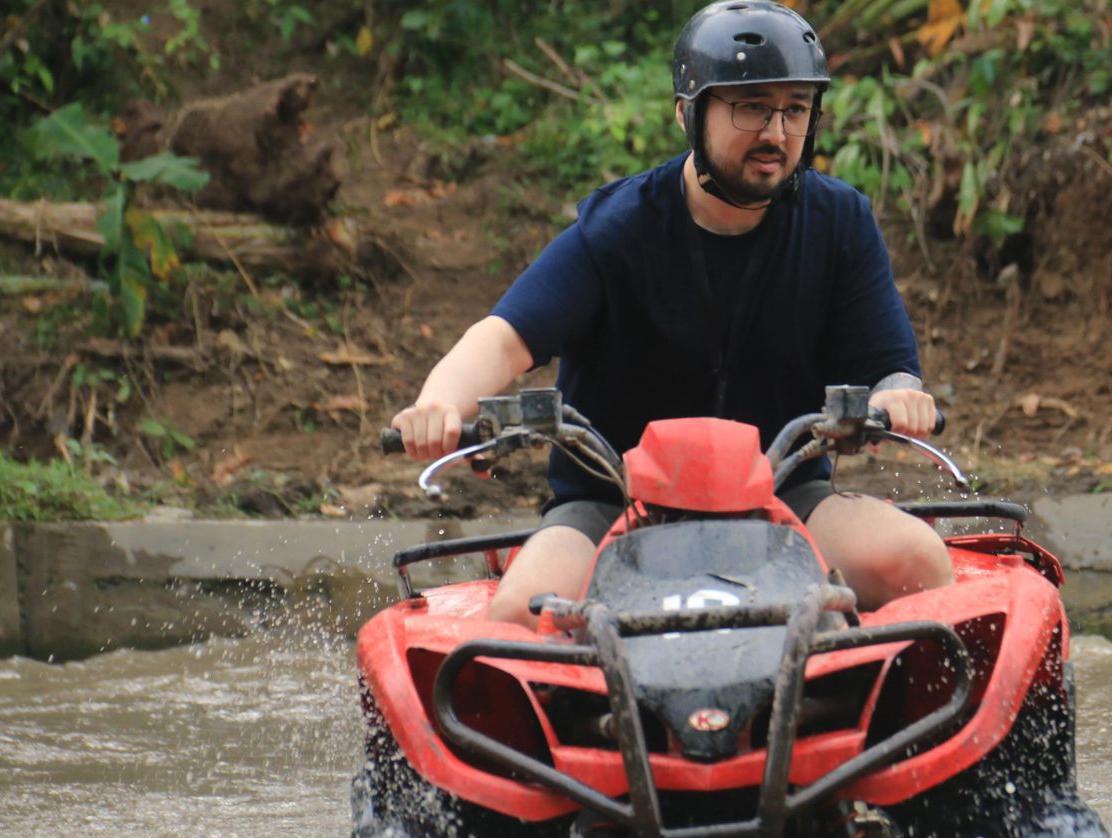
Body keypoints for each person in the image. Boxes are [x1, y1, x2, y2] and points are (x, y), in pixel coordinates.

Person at [391, 0, 953, 629]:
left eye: (794, 109)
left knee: (917, 559)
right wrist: (440, 403)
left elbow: (891, 369)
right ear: (689, 114)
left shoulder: (840, 223)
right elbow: (502, 341)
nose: (775, 133)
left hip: (781, 493)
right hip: (614, 502)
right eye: (750, 106)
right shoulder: (615, 229)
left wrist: (902, 397)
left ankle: (871, 708)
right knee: (523, 615)